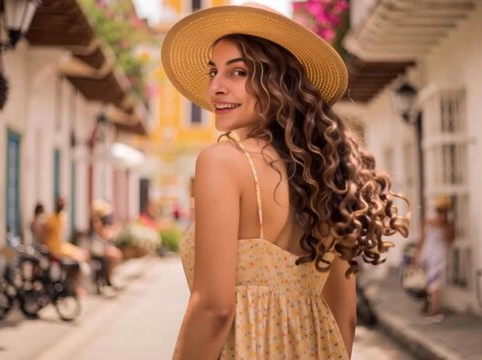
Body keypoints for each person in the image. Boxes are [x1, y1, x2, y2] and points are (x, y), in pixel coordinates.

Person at [162, 3, 409, 359]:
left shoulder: (222, 162)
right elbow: (346, 317)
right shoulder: (331, 175)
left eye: (238, 72)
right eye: (213, 71)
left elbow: (214, 309)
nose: (215, 87)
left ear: (278, 83)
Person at [417, 196, 455, 321]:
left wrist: (443, 227)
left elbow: (450, 241)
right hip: (427, 255)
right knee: (428, 283)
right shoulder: (428, 221)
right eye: (439, 211)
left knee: (435, 284)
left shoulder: (448, 226)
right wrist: (417, 255)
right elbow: (421, 239)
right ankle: (429, 305)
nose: (441, 214)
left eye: (443, 211)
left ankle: (434, 310)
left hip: (439, 257)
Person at [43, 197, 89, 296]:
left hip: (60, 245)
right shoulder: (51, 219)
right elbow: (45, 235)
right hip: (54, 248)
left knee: (82, 254)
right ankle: (76, 287)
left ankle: (75, 285)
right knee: (78, 258)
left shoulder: (61, 217)